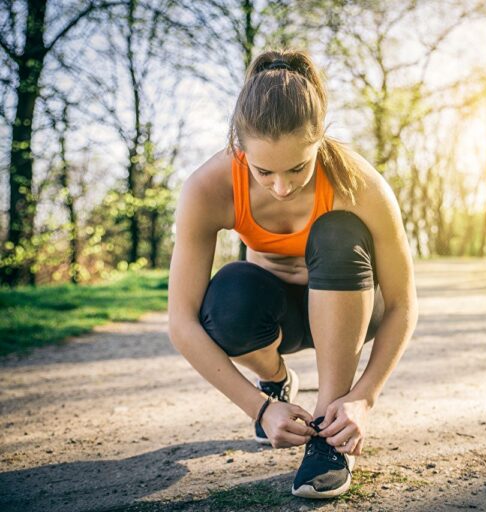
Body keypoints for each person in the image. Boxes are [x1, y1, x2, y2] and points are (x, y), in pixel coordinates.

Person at [166, 48, 418, 499]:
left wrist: (363, 397)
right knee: (227, 298)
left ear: (320, 139)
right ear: (239, 147)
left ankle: (329, 434)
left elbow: (403, 303)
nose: (282, 187)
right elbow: (182, 323)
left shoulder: (360, 184)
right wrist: (260, 408)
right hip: (277, 316)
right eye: (264, 171)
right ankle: (278, 380)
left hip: (353, 307)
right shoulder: (207, 188)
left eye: (298, 167)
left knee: (338, 232)